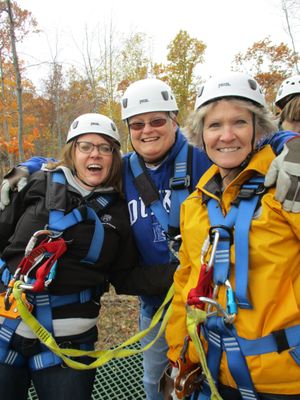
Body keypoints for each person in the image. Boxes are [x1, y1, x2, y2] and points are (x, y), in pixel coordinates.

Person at [0, 79, 299, 400]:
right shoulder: (122, 171)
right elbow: (74, 161)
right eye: (138, 124)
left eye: (158, 121)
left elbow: (255, 138)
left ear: (176, 122)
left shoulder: (205, 158)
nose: (148, 130)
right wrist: (28, 167)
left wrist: (292, 142)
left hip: (245, 319)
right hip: (169, 305)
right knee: (158, 385)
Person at [0, 113, 176, 400]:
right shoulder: (37, 183)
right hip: (6, 325)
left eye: (105, 148)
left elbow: (126, 277)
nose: (95, 153)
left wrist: (182, 274)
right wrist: (22, 169)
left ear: (114, 157)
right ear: (73, 151)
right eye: (86, 146)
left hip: (69, 342)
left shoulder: (119, 212)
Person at [165, 72, 300, 400]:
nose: (227, 136)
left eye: (239, 122)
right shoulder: (196, 204)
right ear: (201, 135)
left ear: (258, 129)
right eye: (214, 125)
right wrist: (179, 358)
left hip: (286, 380)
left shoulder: (286, 184)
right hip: (217, 376)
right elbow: (187, 284)